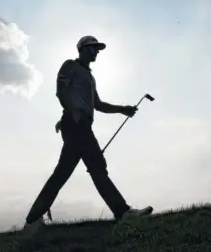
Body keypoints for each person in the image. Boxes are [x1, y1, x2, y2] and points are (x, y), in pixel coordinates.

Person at [23, 35, 153, 234]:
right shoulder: (70, 66)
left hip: (81, 125)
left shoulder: (90, 77)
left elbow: (98, 105)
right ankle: (123, 212)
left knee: (66, 172)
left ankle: (32, 220)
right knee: (96, 168)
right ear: (82, 48)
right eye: (93, 48)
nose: (97, 52)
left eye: (98, 49)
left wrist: (122, 109)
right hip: (75, 125)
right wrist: (74, 113)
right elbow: (61, 91)